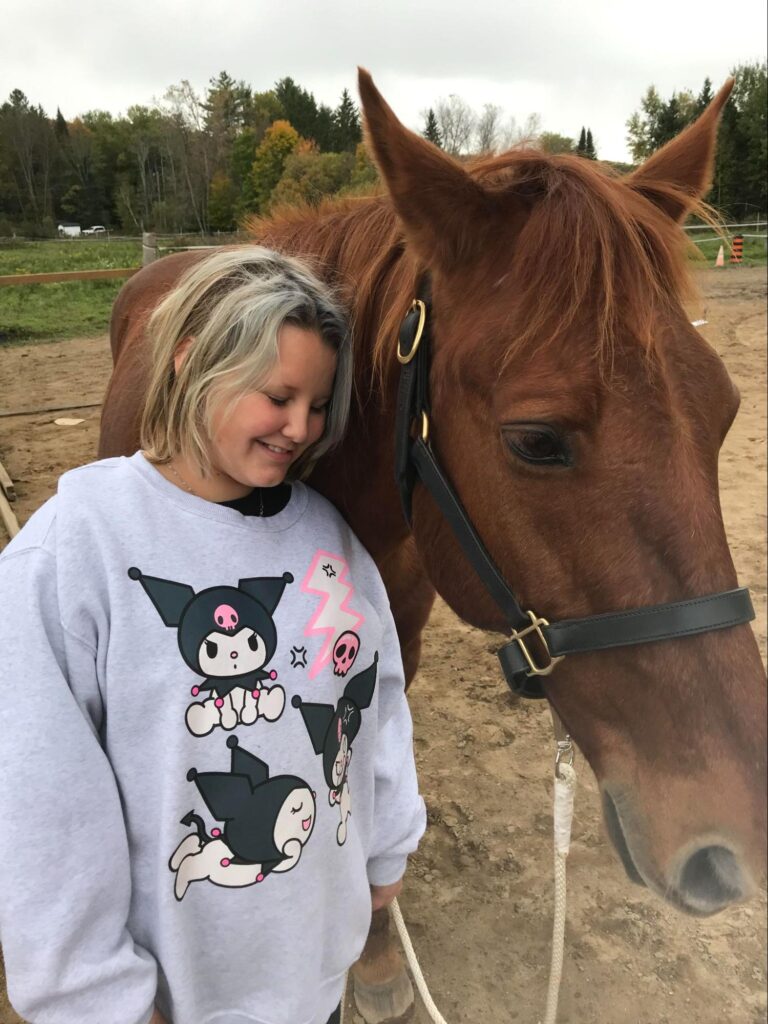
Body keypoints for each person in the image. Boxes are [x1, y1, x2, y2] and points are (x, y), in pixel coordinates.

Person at [0, 247, 426, 1024]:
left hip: (312, 979)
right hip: (178, 999)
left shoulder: (328, 540)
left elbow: (375, 699)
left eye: (320, 403)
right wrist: (94, 996)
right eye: (279, 395)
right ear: (196, 361)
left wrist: (388, 842)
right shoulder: (73, 553)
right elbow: (45, 805)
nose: (302, 428)